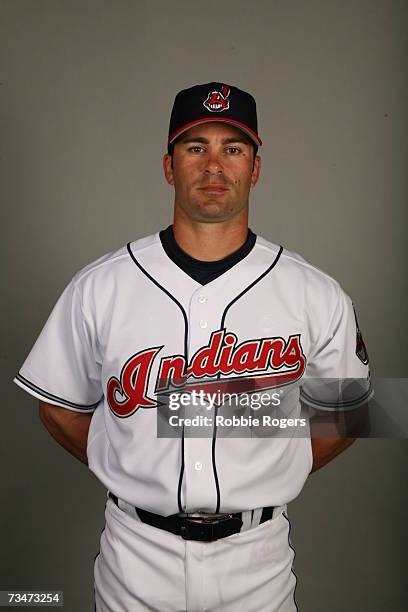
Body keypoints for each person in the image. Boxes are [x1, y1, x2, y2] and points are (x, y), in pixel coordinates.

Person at [14, 82, 372, 611]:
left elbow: (348, 416)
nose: (213, 165)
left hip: (258, 562)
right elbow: (58, 409)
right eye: (194, 147)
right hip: (135, 559)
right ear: (168, 166)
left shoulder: (313, 292)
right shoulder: (102, 285)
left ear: (255, 169)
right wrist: (129, 458)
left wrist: (275, 459)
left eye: (233, 148)